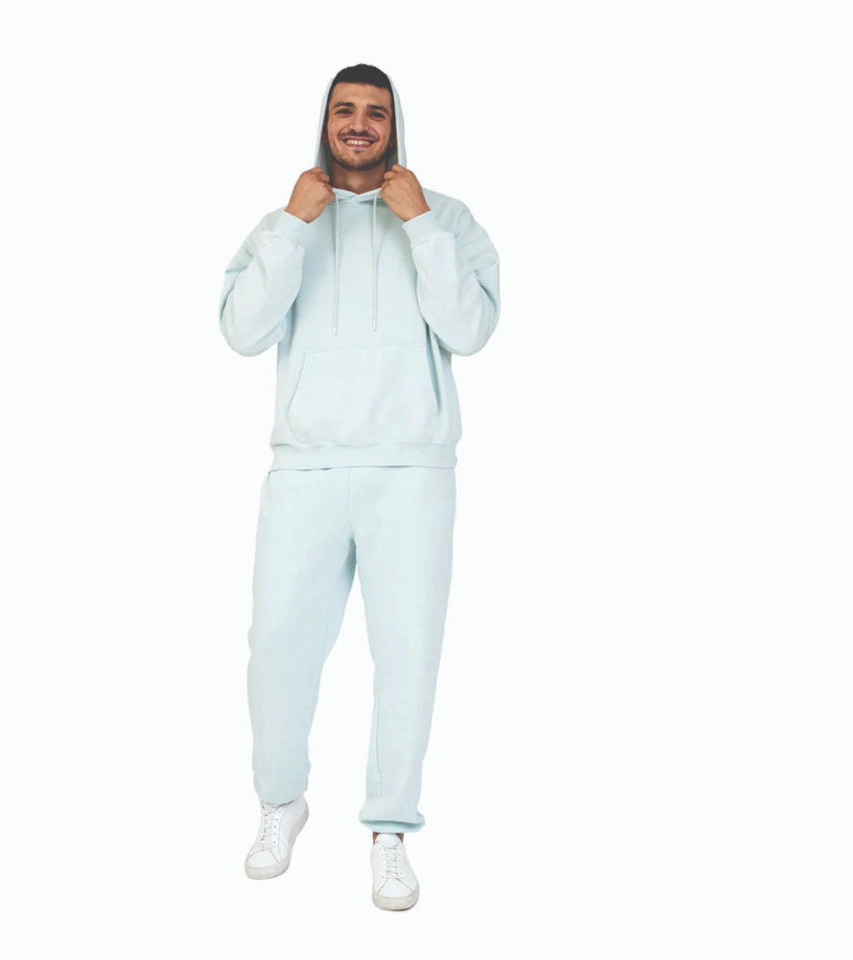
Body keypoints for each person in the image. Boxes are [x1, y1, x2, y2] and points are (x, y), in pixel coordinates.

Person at [218, 63, 500, 910]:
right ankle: (281, 803)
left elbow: (471, 329)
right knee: (277, 649)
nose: (359, 124)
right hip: (305, 465)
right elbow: (241, 331)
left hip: (410, 469)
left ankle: (390, 830)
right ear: (325, 121)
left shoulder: (445, 217)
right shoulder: (287, 220)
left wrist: (420, 225)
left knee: (407, 655)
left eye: (375, 112)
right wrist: (290, 229)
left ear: (394, 124)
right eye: (345, 109)